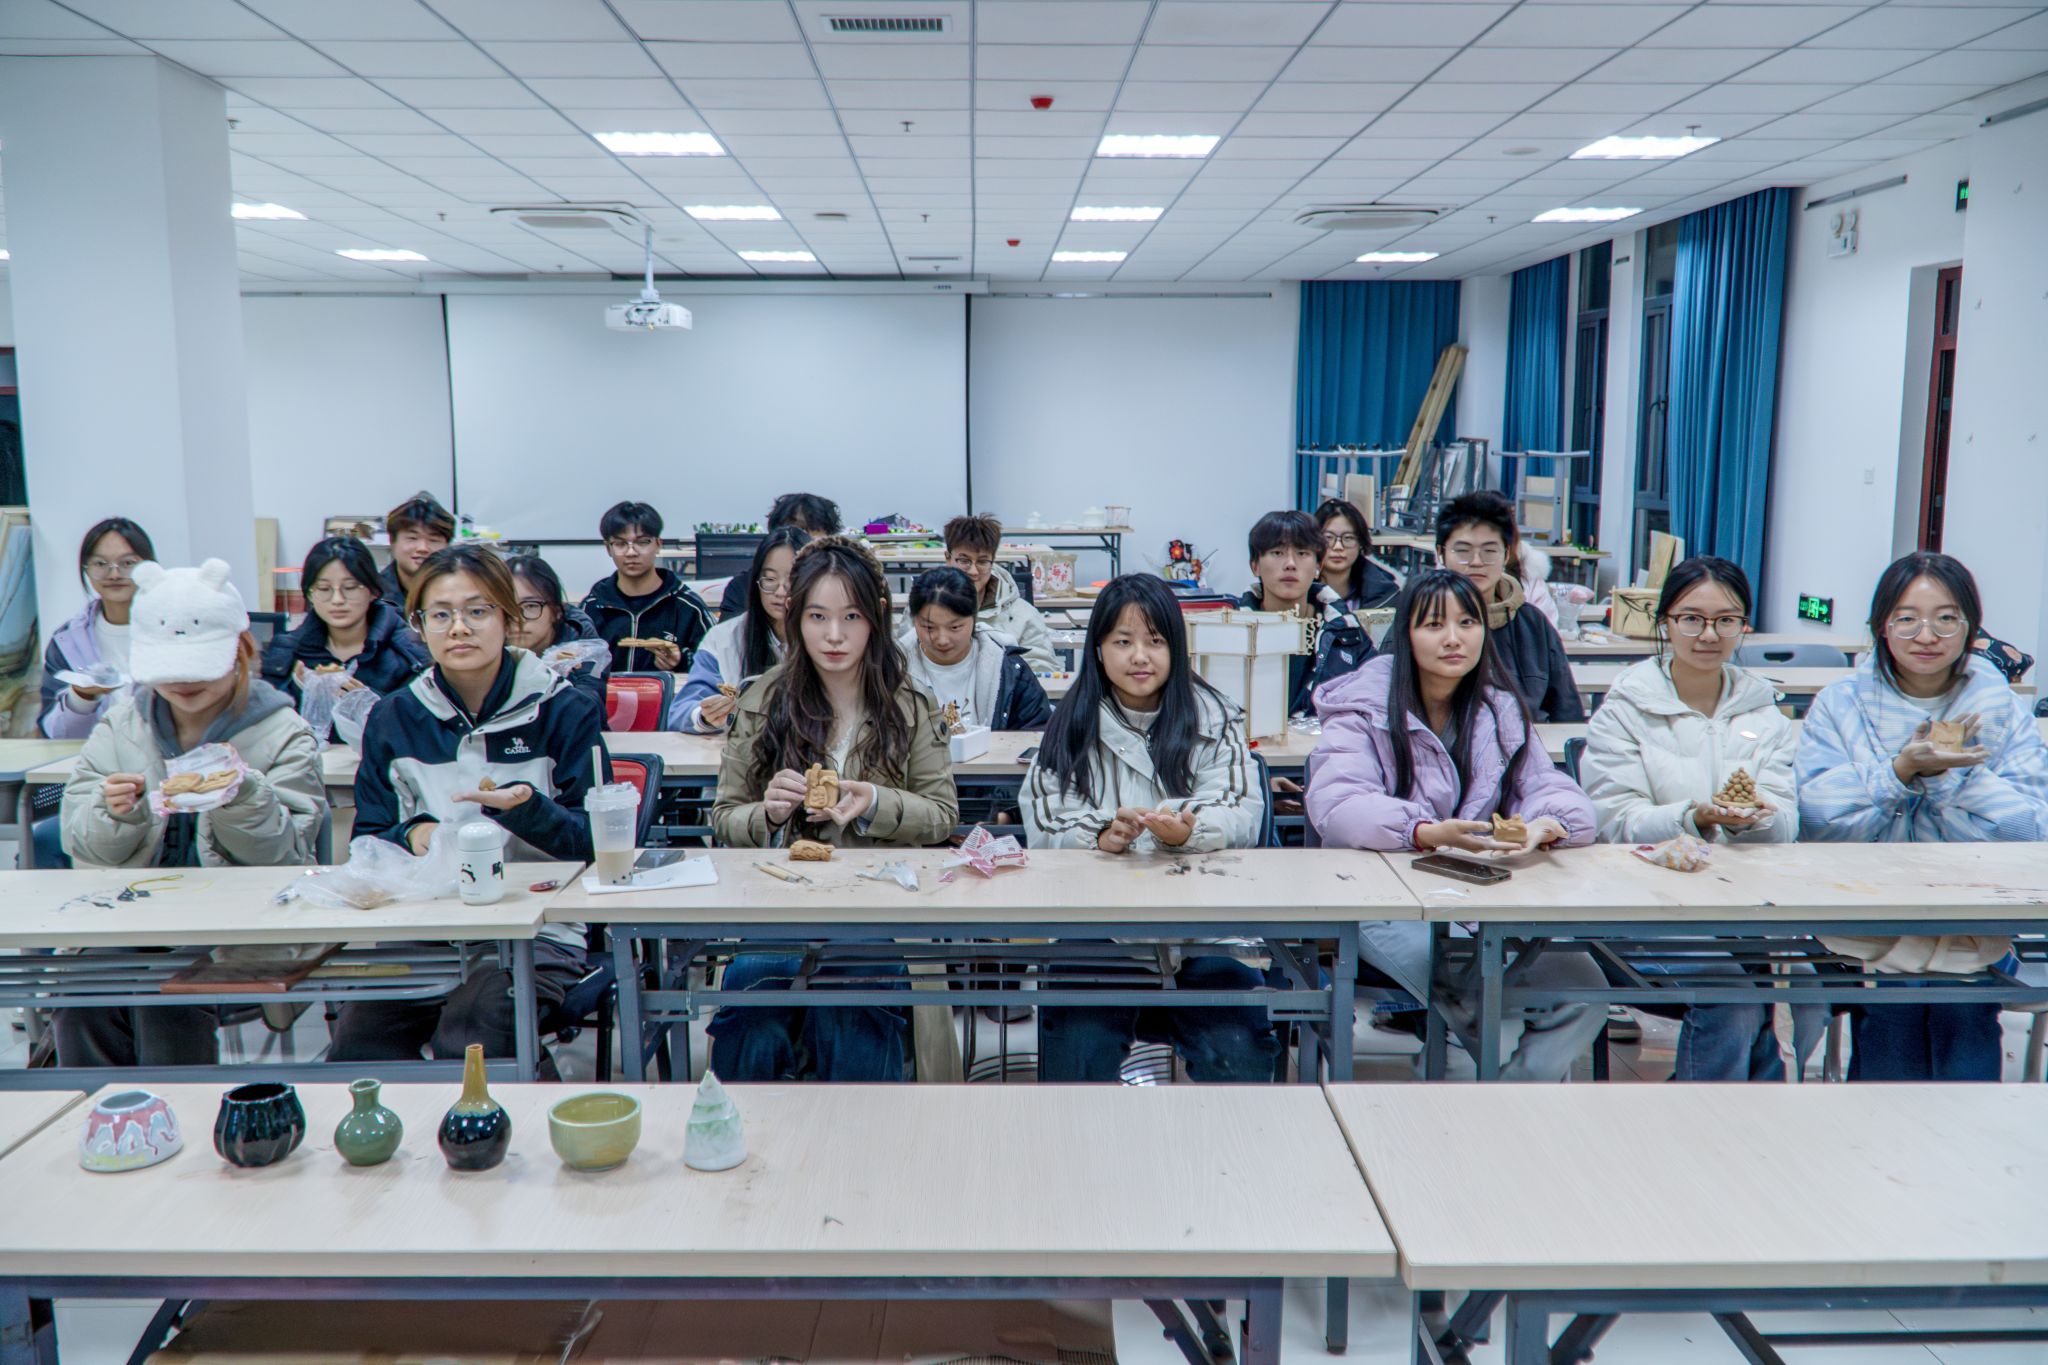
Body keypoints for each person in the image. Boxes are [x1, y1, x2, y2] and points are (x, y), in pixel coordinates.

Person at [1307, 569, 1605, 1081]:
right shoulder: (1362, 707)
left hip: (1482, 899)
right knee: (1482, 1005)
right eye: (1434, 625)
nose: (1453, 638)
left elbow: (1548, 786)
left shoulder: (1498, 708)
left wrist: (1546, 824)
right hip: (1383, 901)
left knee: (1586, 988)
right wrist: (1423, 832)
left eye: (1467, 622)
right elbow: (1338, 804)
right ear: (1404, 634)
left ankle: (1506, 1101)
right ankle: (1459, 1103)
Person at [331, 544, 612, 1069]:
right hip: (426, 928)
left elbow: (598, 843)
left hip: (539, 929)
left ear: (509, 619)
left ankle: (522, 1111)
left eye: (477, 611)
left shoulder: (564, 709)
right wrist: (411, 833)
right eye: (440, 615)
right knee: (360, 1040)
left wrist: (526, 810)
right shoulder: (395, 717)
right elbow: (368, 837)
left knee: (472, 1032)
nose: (459, 628)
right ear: (419, 626)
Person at [54, 559, 327, 1067]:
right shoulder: (122, 726)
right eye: (168, 668)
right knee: (83, 996)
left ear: (241, 650)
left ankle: (179, 1111)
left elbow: (286, 859)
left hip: (240, 930)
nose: (182, 681)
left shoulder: (284, 733)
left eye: (199, 665)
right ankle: (96, 1109)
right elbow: (82, 844)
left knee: (168, 999)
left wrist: (243, 795)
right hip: (132, 921)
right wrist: (117, 814)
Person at [709, 537, 959, 1082]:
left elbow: (943, 813)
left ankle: (860, 1128)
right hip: (782, 902)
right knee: (752, 999)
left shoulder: (910, 704)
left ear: (876, 618)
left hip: (882, 903)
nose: (835, 635)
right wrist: (768, 813)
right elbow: (724, 816)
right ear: (795, 617)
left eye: (851, 616)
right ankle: (750, 1123)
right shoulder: (762, 701)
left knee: (855, 994)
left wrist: (877, 802)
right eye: (818, 616)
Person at [1797, 551, 2048, 1081]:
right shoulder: (1841, 704)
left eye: (1946, 618)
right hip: (1868, 911)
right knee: (1894, 1016)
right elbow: (1818, 819)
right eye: (1907, 618)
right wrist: (1897, 772)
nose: (1927, 636)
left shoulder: (2001, 709)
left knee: (1964, 1015)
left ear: (1970, 627)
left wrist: (1951, 777)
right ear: (1881, 626)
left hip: (1972, 911)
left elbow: (2030, 830)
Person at [1021, 574, 1275, 1082]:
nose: (1140, 656)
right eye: (1123, 641)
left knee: (1238, 1050)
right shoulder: (1070, 723)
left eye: (1155, 641)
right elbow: (1046, 818)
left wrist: (1187, 831)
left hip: (1206, 928)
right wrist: (1100, 834)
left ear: (1176, 648)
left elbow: (1241, 809)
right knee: (1077, 1048)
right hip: (1098, 928)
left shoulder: (1215, 716)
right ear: (1097, 650)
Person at [1580, 555, 1820, 1081]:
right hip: (1643, 909)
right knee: (1737, 1001)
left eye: (1725, 620)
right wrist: (1693, 818)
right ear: (1665, 622)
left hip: (1743, 911)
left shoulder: (1764, 713)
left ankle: (1725, 1115)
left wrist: (1751, 820)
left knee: (1778, 1004)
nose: (1709, 635)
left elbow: (1787, 824)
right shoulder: (1625, 709)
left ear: (1744, 625)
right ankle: (1704, 1118)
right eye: (1691, 618)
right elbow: (1612, 822)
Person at [1435, 491, 1583, 723]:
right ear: (1440, 554)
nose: (1476, 562)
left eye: (1489, 551)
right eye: (1463, 551)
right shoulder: (1418, 619)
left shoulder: (1533, 625)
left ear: (1506, 555)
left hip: (1526, 742)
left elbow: (1566, 711)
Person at [1237, 509, 1376, 717]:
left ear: (1319, 565)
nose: (1290, 564)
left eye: (1302, 553)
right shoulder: (1232, 631)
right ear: (1255, 565)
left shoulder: (1345, 629)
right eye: (1277, 553)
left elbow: (1374, 697)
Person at [261, 536, 430, 705]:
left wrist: (371, 704)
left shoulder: (409, 653)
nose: (337, 600)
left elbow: (416, 715)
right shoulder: (287, 651)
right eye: (324, 589)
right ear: (310, 594)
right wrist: (298, 689)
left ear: (373, 591)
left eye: (350, 587)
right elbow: (268, 713)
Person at [671, 527, 809, 733]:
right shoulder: (724, 639)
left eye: (792, 580)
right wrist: (705, 716)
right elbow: (679, 713)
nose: (780, 592)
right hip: (741, 750)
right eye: (770, 579)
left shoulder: (832, 637)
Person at [40, 517, 152, 740]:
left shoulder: (173, 629)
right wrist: (80, 699)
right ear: (86, 569)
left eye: (128, 563)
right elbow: (55, 735)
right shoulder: (68, 641)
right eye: (100, 564)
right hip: (99, 756)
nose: (114, 574)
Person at [903, 567, 1052, 733]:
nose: (942, 640)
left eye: (955, 627)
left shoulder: (1009, 670)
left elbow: (1037, 732)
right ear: (914, 621)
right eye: (929, 628)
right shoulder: (893, 670)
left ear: (974, 617)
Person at [582, 500, 713, 675]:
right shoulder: (592, 606)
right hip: (606, 693)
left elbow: (715, 665)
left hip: (669, 693)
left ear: (658, 544)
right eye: (620, 544)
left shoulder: (688, 607)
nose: (631, 552)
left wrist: (681, 661)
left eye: (642, 542)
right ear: (608, 548)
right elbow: (572, 663)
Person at [944, 512, 1055, 673]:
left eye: (982, 561)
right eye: (964, 560)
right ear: (948, 558)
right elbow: (909, 665)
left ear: (993, 561)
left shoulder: (1024, 615)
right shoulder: (923, 608)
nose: (973, 571)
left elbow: (1042, 671)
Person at [716, 492, 842, 620]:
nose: (800, 541)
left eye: (809, 534)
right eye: (795, 531)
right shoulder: (743, 587)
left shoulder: (841, 586)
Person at [504, 553, 608, 702]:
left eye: (531, 606)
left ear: (557, 611)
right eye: (506, 606)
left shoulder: (581, 650)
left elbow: (588, 704)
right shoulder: (486, 650)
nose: (517, 618)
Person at [1315, 497, 1400, 611]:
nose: (1338, 547)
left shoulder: (1385, 595)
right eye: (1328, 538)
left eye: (1348, 538)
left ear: (1361, 543)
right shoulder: (1298, 591)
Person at [378, 491, 455, 610]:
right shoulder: (374, 594)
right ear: (392, 542)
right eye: (412, 538)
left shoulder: (462, 590)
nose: (423, 548)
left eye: (433, 540)